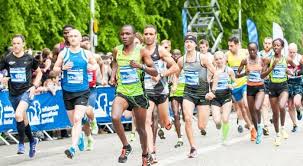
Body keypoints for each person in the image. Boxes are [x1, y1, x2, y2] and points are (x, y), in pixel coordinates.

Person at [110, 24, 158, 166]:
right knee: (115, 117)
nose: (124, 36)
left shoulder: (141, 51)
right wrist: (113, 76)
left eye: (127, 34)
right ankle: (126, 146)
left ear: (134, 35)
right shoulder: (116, 50)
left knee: (141, 129)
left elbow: (155, 72)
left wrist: (140, 66)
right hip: (123, 92)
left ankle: (145, 155)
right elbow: (114, 63)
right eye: (122, 34)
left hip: (138, 94)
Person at [53, 29, 98, 158]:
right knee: (74, 122)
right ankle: (80, 135)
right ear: (68, 39)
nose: (72, 38)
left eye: (75, 36)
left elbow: (95, 65)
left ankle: (72, 148)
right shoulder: (64, 53)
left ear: (80, 39)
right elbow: (55, 69)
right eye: (70, 36)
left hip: (82, 91)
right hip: (67, 91)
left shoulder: (86, 53)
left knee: (77, 119)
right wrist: (62, 68)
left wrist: (91, 67)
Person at [0, 34, 42, 157]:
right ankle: (33, 140)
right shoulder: (7, 58)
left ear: (23, 44)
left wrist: (34, 86)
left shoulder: (29, 58)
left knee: (18, 114)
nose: (16, 46)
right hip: (13, 93)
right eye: (14, 43)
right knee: (23, 119)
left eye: (18, 43)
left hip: (26, 92)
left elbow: (39, 72)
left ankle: (21, 143)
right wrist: (4, 78)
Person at [143, 25, 179, 163]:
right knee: (148, 121)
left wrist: (161, 74)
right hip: (146, 91)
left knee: (164, 122)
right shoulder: (140, 51)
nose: (148, 36)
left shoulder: (161, 51)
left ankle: (167, 120)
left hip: (161, 90)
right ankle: (152, 152)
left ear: (156, 36)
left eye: (151, 34)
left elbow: (175, 67)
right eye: (146, 33)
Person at [177, 34, 215, 158]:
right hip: (188, 92)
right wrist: (174, 84)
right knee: (187, 118)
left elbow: (216, 74)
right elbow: (176, 73)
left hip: (203, 94)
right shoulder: (181, 60)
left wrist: (212, 91)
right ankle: (193, 147)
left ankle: (204, 121)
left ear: (195, 45)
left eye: (191, 42)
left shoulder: (203, 58)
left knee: (201, 125)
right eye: (186, 41)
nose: (188, 44)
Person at [226, 36, 256, 141]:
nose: (229, 48)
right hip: (234, 86)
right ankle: (252, 128)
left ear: (238, 45)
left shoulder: (245, 53)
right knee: (242, 108)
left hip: (245, 83)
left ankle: (254, 123)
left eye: (232, 46)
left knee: (247, 105)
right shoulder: (226, 56)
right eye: (228, 46)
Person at [262, 38, 290, 146]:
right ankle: (277, 135)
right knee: (275, 113)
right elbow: (262, 75)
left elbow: (288, 68)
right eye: (274, 45)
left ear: (282, 47)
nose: (276, 47)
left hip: (283, 86)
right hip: (272, 87)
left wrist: (290, 71)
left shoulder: (286, 59)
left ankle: (283, 128)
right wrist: (271, 67)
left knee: (282, 106)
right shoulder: (267, 60)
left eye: (278, 45)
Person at [237, 42, 266, 144]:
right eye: (250, 50)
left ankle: (260, 125)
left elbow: (265, 74)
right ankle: (258, 131)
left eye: (254, 50)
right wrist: (245, 73)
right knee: (252, 111)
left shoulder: (262, 59)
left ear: (257, 49)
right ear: (248, 50)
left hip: (260, 87)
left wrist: (266, 72)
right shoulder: (245, 60)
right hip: (250, 87)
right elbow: (237, 74)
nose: (252, 52)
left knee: (257, 108)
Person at [210, 51, 236, 144]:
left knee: (225, 118)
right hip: (215, 98)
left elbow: (234, 82)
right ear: (214, 61)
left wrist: (231, 85)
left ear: (225, 59)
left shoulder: (229, 70)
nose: (219, 61)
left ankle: (225, 138)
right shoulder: (212, 71)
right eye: (216, 59)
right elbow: (207, 82)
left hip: (226, 96)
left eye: (221, 58)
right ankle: (218, 124)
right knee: (217, 121)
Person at [170, 49, 185, 148]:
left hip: (184, 93)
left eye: (178, 54)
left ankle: (182, 128)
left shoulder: (184, 65)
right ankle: (179, 138)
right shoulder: (170, 65)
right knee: (175, 114)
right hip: (174, 93)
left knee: (185, 116)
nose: (176, 56)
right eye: (174, 54)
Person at [259, 37, 274, 136]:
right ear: (263, 44)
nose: (267, 45)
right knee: (264, 104)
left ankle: (273, 116)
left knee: (273, 104)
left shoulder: (275, 54)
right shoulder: (259, 54)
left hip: (274, 81)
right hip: (262, 81)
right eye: (266, 43)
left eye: (269, 43)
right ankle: (266, 126)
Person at [286, 43, 302, 132]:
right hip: (288, 83)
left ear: (296, 51)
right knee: (290, 105)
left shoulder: (300, 58)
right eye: (290, 52)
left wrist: (297, 73)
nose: (292, 54)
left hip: (298, 82)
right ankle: (295, 124)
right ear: (288, 50)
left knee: (296, 102)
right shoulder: (284, 58)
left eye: (294, 52)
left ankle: (299, 110)